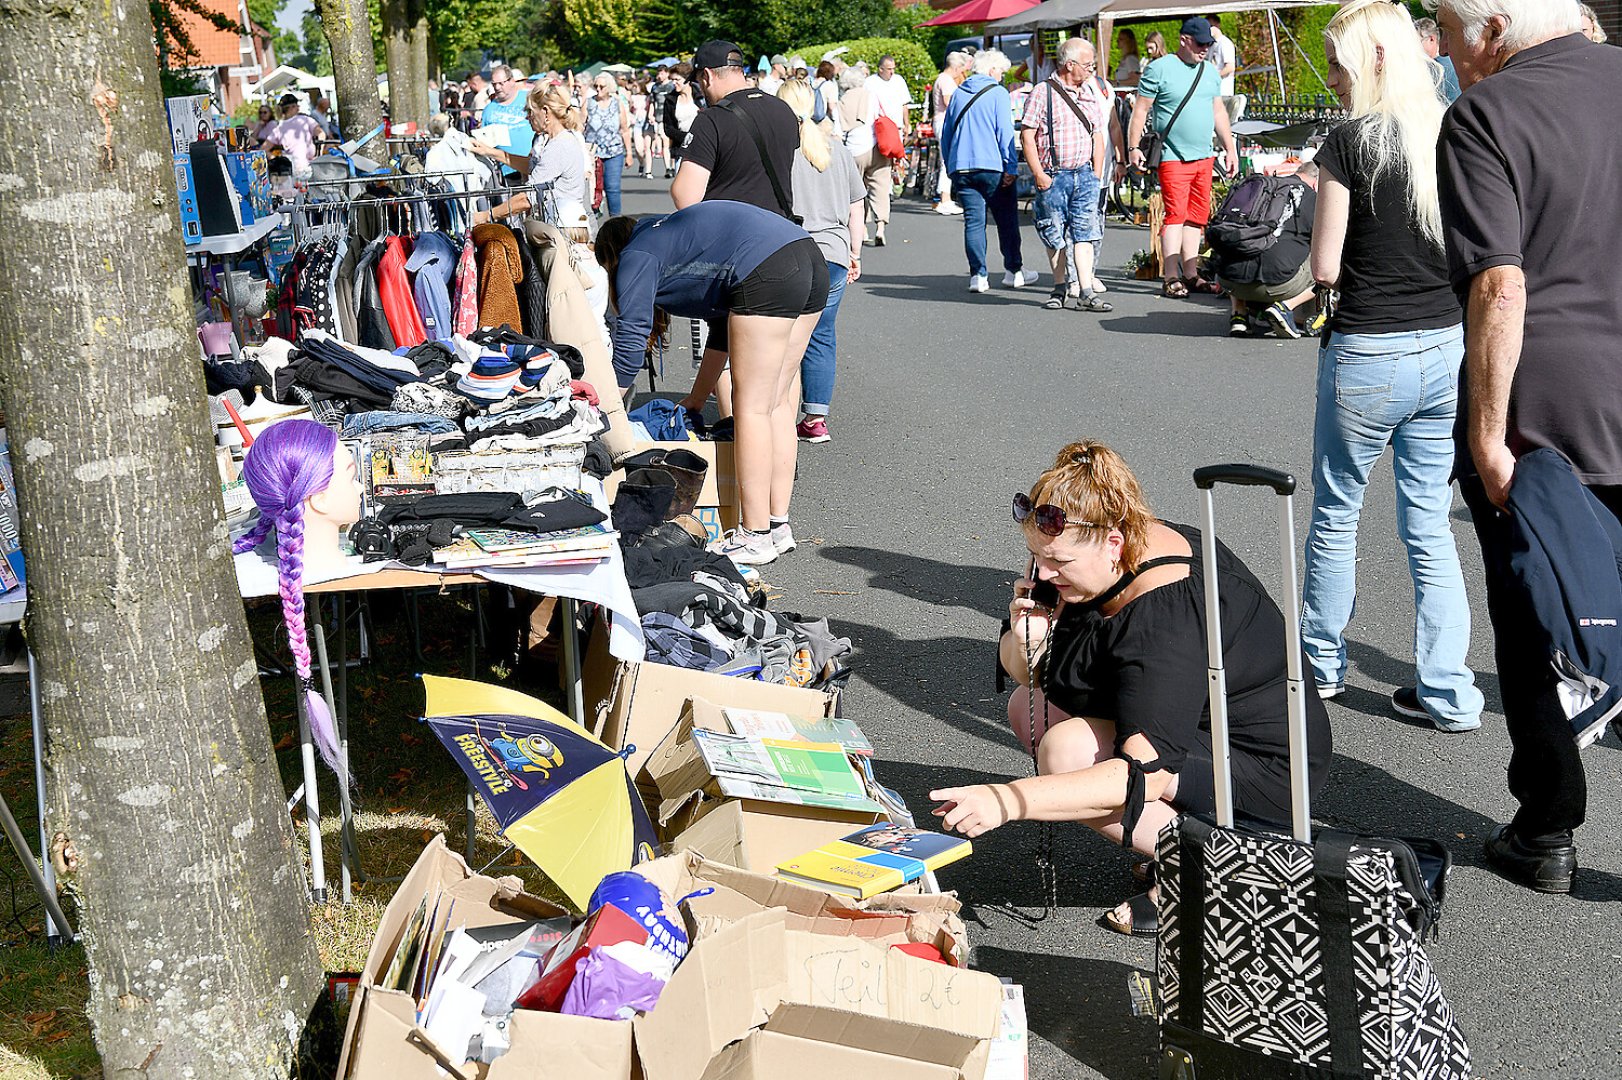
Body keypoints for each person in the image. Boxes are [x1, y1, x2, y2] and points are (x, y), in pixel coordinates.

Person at [931, 441, 1332, 936]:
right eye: (1035, 556)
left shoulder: (1165, 617)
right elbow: (1025, 678)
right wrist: (1025, 636)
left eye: (1057, 562)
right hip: (1191, 725)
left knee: (1067, 752)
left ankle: (1224, 868)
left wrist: (1007, 799)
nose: (1044, 574)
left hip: (1261, 760)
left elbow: (1146, 777)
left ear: (1113, 543)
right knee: (1026, 706)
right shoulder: (1096, 553)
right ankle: (1182, 842)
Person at [1433, 0, 1619, 893]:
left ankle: (1548, 827)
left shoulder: (1488, 113)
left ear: (1495, 26)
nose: (1448, 51)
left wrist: (1488, 432)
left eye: (1451, 31)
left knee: (1536, 610)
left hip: (1547, 407)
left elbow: (1500, 286)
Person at [1302, 0, 1484, 738]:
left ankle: (1320, 667)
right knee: (1430, 525)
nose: (1336, 81)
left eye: (1342, 66)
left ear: (1371, 61)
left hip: (1367, 350)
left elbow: (1324, 264)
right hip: (1445, 347)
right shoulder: (1452, 131)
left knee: (1337, 511)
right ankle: (1449, 691)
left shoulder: (1350, 141)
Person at [596, 205, 827, 565]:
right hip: (807, 255)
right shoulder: (670, 239)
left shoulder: (636, 255)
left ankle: (754, 536)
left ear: (610, 256)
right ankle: (777, 527)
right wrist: (697, 398)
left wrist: (601, 412)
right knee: (777, 403)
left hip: (767, 267)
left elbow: (629, 343)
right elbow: (722, 330)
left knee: (750, 407)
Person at [774, 80, 864, 446]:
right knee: (822, 335)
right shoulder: (838, 150)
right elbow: (856, 205)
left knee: (782, 334)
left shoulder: (780, 151)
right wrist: (856, 252)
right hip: (835, 253)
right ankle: (815, 418)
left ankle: (776, 407)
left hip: (789, 250)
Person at [1127, 18, 1238, 298]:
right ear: (1184, 40)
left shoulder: (1209, 72)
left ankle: (1191, 274)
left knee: (1197, 218)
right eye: (1200, 44)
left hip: (1204, 156)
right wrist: (1133, 147)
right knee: (1176, 216)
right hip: (1172, 156)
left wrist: (1230, 148)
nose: (1204, 50)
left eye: (1208, 45)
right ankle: (1171, 276)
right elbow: (1140, 111)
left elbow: (1218, 113)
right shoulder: (1159, 69)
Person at [1021, 38, 1111, 312]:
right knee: (1054, 233)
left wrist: (1095, 174)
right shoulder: (1042, 92)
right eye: (1087, 65)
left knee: (1085, 233)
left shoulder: (1088, 92)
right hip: (1054, 174)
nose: (1091, 70)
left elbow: (1098, 134)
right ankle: (1060, 287)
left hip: (1083, 174)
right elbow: (1027, 134)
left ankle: (1085, 290)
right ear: (1069, 65)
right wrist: (1039, 173)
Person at [939, 49, 1037, 294]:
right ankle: (1014, 271)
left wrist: (950, 165)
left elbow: (947, 133)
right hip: (992, 165)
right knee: (1006, 220)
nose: (1002, 76)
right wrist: (1011, 166)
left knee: (974, 222)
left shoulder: (959, 92)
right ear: (992, 70)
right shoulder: (997, 93)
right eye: (1002, 71)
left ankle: (978, 275)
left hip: (962, 166)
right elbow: (1004, 132)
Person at [672, 40, 800, 214]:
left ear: (707, 75)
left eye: (698, 81)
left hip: (731, 230)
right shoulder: (783, 109)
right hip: (779, 228)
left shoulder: (711, 120)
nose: (700, 89)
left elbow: (685, 197)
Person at [1214, 167, 1321, 339]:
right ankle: (1285, 307)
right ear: (1316, 182)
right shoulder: (1312, 198)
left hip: (1228, 280)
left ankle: (1239, 314)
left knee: (1239, 246)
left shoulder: (1256, 187)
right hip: (1278, 285)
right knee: (1324, 258)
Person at [470, 86, 589, 225]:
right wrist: (489, 151)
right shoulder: (553, 140)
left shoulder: (559, 145)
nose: (527, 117)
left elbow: (528, 198)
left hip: (563, 228)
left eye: (530, 112)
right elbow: (531, 166)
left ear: (545, 112)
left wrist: (485, 216)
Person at [836, 68, 893, 247]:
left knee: (856, 193)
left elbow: (838, 132)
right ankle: (881, 227)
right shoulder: (871, 95)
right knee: (880, 187)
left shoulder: (842, 101)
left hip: (854, 149)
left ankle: (862, 230)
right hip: (876, 146)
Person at [586, 74, 633, 215]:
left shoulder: (617, 103)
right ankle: (593, 220)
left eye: (602, 86)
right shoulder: (588, 103)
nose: (598, 89)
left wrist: (629, 153)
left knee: (612, 188)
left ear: (610, 87)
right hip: (593, 153)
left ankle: (615, 222)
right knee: (593, 189)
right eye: (596, 86)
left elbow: (624, 129)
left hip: (614, 152)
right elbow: (580, 127)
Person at [931, 52, 971, 215]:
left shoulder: (942, 78)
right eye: (960, 68)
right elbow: (948, 102)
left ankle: (944, 197)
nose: (961, 72)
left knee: (945, 159)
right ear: (955, 67)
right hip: (945, 122)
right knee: (946, 160)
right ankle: (945, 198)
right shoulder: (946, 80)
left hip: (941, 121)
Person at [481, 64, 534, 178]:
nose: (497, 87)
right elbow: (485, 143)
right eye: (494, 84)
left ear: (512, 81)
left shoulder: (529, 99)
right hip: (505, 173)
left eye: (501, 83)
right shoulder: (488, 110)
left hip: (531, 167)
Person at [261, 93, 324, 179]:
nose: (298, 108)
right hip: (310, 167)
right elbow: (321, 134)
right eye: (297, 106)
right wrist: (319, 154)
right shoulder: (305, 120)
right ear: (292, 107)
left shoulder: (279, 128)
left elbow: (263, 149)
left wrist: (275, 159)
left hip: (290, 171)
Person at [1415, 18, 1463, 102]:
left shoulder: (1440, 65)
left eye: (1417, 43)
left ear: (1431, 39)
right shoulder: (1449, 59)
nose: (1415, 48)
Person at [663, 64, 701, 168]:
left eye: (677, 80)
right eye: (672, 80)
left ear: (687, 79)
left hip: (703, 147)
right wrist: (685, 137)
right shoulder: (670, 100)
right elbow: (668, 128)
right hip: (681, 149)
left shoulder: (701, 97)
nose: (674, 83)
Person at [648, 66, 678, 177]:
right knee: (664, 142)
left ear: (666, 73)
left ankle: (673, 166)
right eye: (658, 73)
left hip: (671, 118)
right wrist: (650, 114)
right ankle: (668, 168)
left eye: (661, 73)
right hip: (659, 118)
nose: (659, 76)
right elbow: (652, 102)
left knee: (671, 144)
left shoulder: (672, 86)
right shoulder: (655, 87)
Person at [1206, 12, 1238, 96]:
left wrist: (1214, 77)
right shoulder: (1211, 45)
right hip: (1213, 90)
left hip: (1224, 90)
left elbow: (1230, 67)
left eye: (1211, 26)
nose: (1209, 30)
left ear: (1218, 25)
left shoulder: (1225, 43)